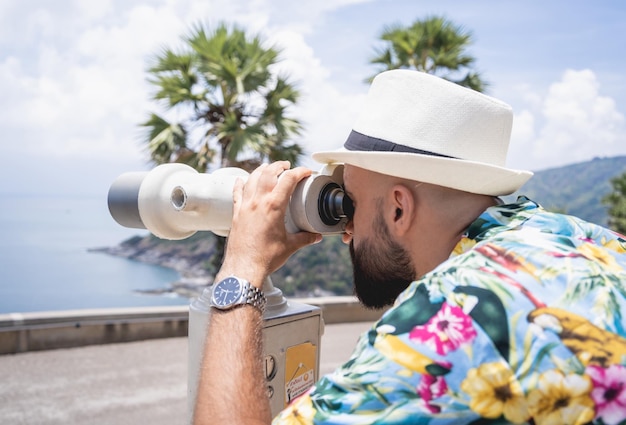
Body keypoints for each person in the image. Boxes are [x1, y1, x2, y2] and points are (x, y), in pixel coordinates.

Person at [193, 70, 626, 424]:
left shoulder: (450, 321)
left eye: (353, 204)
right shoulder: (595, 241)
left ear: (399, 209)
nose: (347, 230)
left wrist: (243, 267)